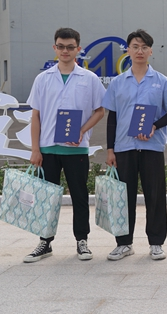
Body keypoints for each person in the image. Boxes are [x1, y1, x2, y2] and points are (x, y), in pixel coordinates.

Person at [25, 27, 106, 263]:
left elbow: (100, 110)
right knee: (47, 198)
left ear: (78, 49)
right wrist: (35, 149)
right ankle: (45, 242)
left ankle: (82, 241)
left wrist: (81, 130)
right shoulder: (43, 79)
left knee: (79, 196)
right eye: (61, 46)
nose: (65, 51)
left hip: (76, 149)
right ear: (54, 48)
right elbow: (36, 116)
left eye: (70, 47)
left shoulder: (89, 79)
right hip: (47, 149)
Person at [102, 29, 167, 261]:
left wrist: (154, 125)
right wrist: (110, 149)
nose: (139, 51)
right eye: (135, 46)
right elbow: (112, 118)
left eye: (144, 47)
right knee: (123, 198)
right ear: (128, 50)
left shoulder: (161, 81)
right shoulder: (118, 83)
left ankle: (156, 243)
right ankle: (124, 243)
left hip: (152, 147)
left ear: (150, 51)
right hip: (124, 147)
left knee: (155, 197)